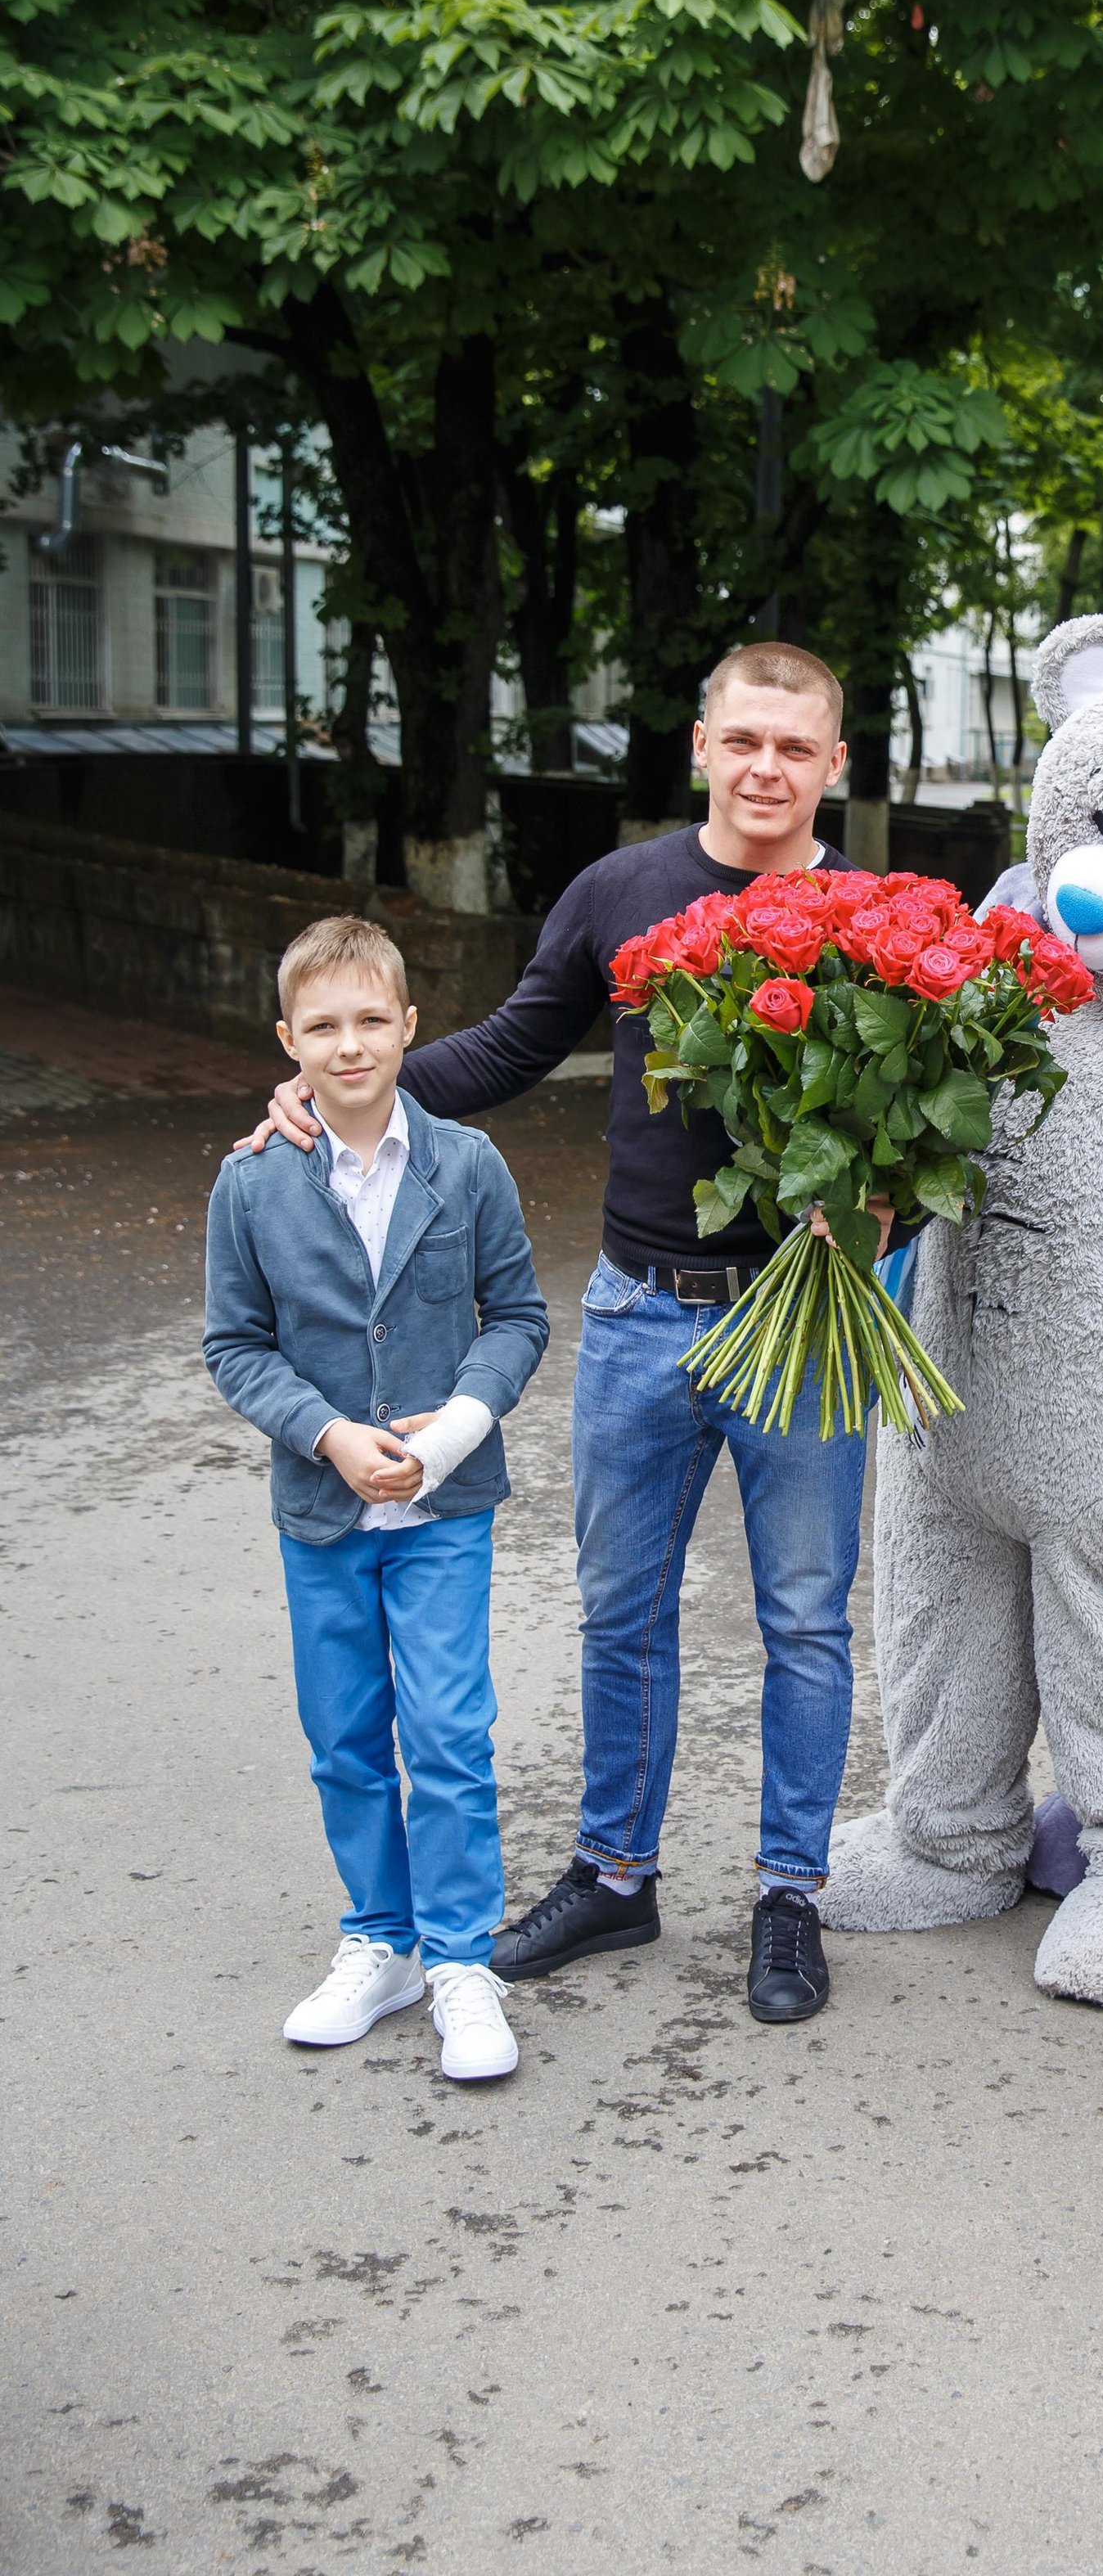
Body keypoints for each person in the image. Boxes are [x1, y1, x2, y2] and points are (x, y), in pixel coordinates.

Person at [247, 644, 863, 2027]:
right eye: (744, 740)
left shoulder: (875, 916)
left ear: (834, 765)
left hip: (807, 1323)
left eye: (795, 748)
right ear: (702, 744)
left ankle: (788, 1898)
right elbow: (515, 1046)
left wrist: (883, 1227)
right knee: (621, 1615)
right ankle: (615, 1875)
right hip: (645, 1312)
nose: (766, 769)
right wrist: (341, 1090)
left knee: (806, 1622)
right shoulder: (621, 892)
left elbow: (930, 1132)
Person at [204, 916, 549, 2081]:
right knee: (346, 1737)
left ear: (407, 1027)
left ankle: (461, 1959)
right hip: (323, 1512)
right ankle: (379, 1940)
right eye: (321, 1027)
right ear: (288, 1041)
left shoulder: (469, 1165)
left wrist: (452, 1433)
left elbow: (519, 1318)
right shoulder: (251, 1183)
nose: (347, 1047)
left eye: (369, 1022)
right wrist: (329, 1433)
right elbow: (235, 1346)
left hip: (443, 1513)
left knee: (449, 1734)